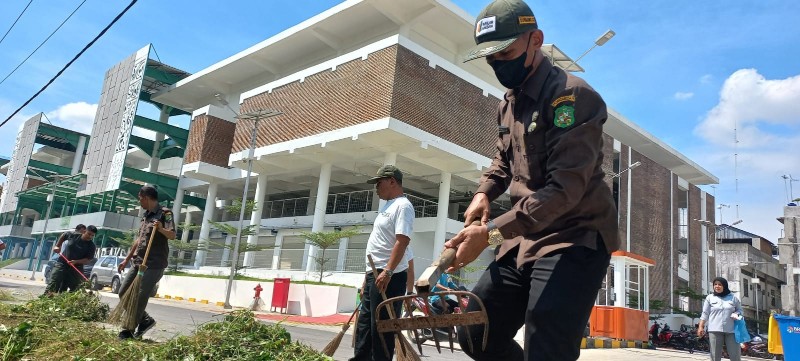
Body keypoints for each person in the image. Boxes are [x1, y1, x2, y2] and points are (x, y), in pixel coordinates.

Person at [447, 0, 619, 359]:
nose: (498, 65)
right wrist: (484, 193)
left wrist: (490, 233)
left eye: (505, 53)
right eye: (490, 59)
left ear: (535, 40)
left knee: (546, 340)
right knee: (475, 330)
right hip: (523, 237)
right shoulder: (509, 103)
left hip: (574, 236)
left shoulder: (572, 97)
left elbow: (564, 190)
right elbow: (503, 160)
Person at [351, 165, 414, 361]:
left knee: (381, 327)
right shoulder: (386, 206)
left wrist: (387, 271)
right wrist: (366, 279)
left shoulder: (403, 206)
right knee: (365, 325)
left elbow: (402, 241)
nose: (376, 188)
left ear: (392, 181)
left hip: (389, 277)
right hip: (374, 274)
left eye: (379, 183)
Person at [117, 186, 175, 340]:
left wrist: (161, 229)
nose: (139, 201)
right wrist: (126, 259)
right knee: (123, 292)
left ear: (147, 197)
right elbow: (139, 239)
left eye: (140, 198)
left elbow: (172, 235)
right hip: (138, 262)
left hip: (154, 264)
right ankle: (145, 320)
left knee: (139, 296)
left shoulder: (166, 213)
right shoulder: (145, 216)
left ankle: (128, 330)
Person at [698, 277, 743, 361]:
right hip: (715, 330)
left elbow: (740, 310)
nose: (717, 286)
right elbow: (705, 313)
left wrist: (736, 313)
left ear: (724, 286)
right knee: (715, 356)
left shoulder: (733, 298)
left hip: (732, 330)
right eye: (715, 284)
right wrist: (701, 326)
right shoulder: (710, 298)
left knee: (735, 356)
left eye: (719, 285)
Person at [44, 225, 97, 294]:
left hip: (76, 267)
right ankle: (47, 297)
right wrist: (57, 246)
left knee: (76, 288)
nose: (90, 237)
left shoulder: (91, 246)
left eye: (92, 235)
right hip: (62, 263)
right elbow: (64, 235)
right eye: (89, 234)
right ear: (84, 231)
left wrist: (76, 262)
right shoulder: (73, 235)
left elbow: (88, 259)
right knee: (53, 283)